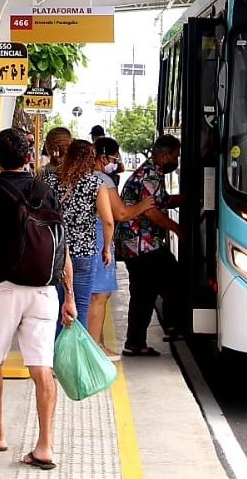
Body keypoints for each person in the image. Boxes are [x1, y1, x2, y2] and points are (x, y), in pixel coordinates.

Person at [0, 128, 77, 471]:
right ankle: (45, 446)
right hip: (44, 290)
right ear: (29, 158)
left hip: (2, 289)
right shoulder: (46, 190)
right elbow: (61, 244)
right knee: (42, 368)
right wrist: (68, 296)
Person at [115, 134, 186, 356]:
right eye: (176, 155)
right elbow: (152, 212)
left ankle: (135, 343)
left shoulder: (150, 173)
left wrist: (189, 198)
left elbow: (162, 200)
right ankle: (171, 328)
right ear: (164, 156)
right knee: (173, 280)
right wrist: (177, 229)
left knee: (144, 292)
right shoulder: (150, 175)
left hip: (135, 244)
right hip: (143, 244)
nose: (177, 160)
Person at [89, 136, 153, 355]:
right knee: (100, 295)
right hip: (98, 239)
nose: (115, 163)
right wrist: (143, 205)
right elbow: (120, 214)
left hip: (76, 241)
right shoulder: (103, 181)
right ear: (103, 157)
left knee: (82, 295)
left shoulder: (77, 175)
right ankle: (95, 345)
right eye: (115, 158)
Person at [42, 139, 105, 335]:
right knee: (80, 309)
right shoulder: (95, 183)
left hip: (55, 253)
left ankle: (53, 356)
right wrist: (107, 246)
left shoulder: (51, 181)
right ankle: (75, 358)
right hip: (84, 254)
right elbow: (109, 221)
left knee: (55, 308)